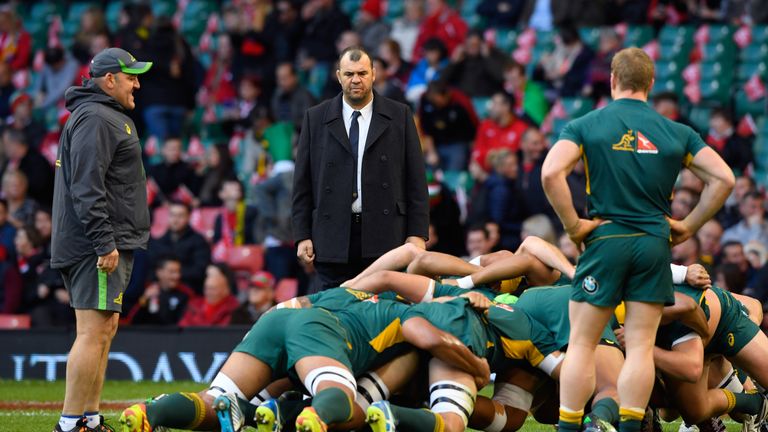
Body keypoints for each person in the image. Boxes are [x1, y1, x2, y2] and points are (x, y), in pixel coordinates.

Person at [540, 47, 734, 432]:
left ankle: (567, 427)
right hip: (653, 243)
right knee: (642, 346)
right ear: (650, 83)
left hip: (606, 238)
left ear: (612, 80)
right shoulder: (677, 131)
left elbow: (550, 173)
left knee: (581, 343)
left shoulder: (586, 124)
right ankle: (629, 427)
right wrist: (690, 225)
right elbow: (724, 179)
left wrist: (574, 225)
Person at [50, 47, 152, 432]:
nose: (137, 84)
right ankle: (71, 422)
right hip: (96, 245)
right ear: (109, 80)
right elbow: (86, 188)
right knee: (92, 332)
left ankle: (88, 419)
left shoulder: (101, 116)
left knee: (104, 329)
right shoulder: (97, 118)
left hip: (105, 241)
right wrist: (104, 242)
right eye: (131, 77)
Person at [292, 46, 429, 289]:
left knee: (383, 316)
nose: (356, 80)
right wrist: (302, 235)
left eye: (363, 73)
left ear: (374, 74)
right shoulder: (315, 117)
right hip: (333, 237)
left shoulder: (400, 115)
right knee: (336, 317)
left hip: (386, 235)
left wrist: (417, 233)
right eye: (349, 74)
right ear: (338, 76)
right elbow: (302, 183)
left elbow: (416, 180)